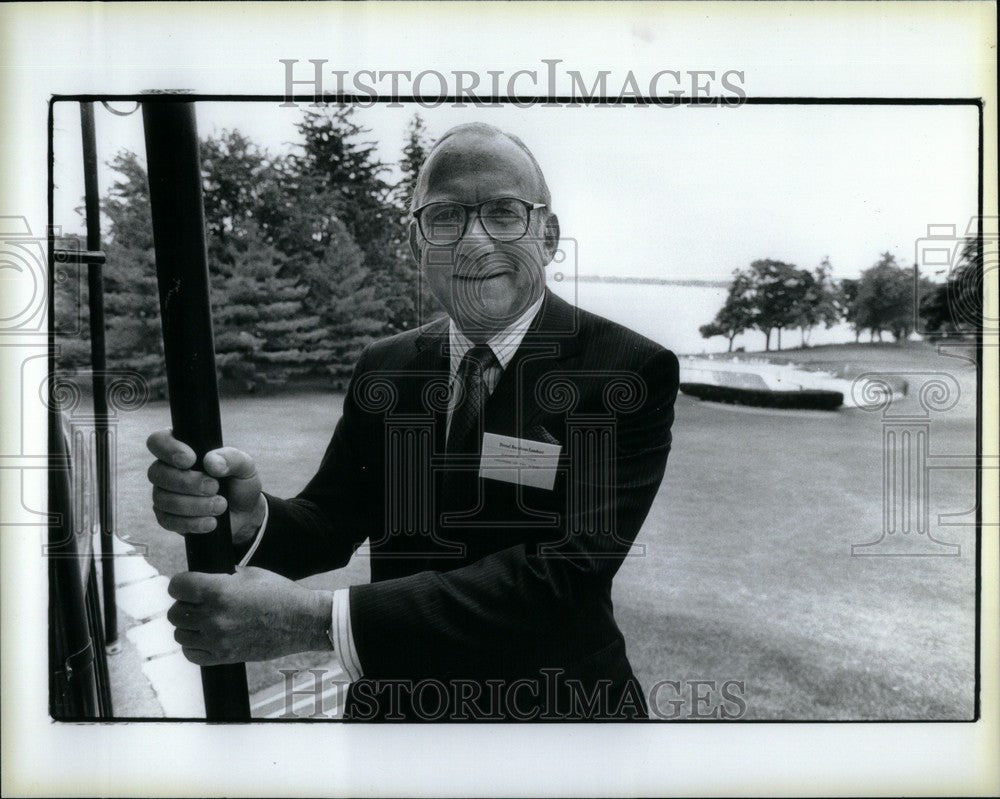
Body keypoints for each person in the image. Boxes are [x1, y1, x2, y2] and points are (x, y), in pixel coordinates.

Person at [148, 122, 680, 720]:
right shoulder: (388, 366)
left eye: (505, 213)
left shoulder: (626, 371)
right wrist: (250, 517)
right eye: (446, 216)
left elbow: (566, 577)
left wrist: (321, 622)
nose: (476, 241)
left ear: (548, 234)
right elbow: (331, 519)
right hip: (397, 719)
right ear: (415, 242)